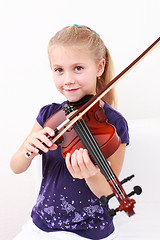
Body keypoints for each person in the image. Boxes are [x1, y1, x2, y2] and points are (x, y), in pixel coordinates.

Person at [10, 25, 129, 240]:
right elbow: (16, 166)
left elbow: (108, 191)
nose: (68, 80)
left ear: (100, 67)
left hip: (90, 232)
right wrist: (28, 148)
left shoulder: (114, 124)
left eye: (78, 68)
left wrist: (91, 175)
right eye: (59, 70)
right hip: (41, 225)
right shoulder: (49, 115)